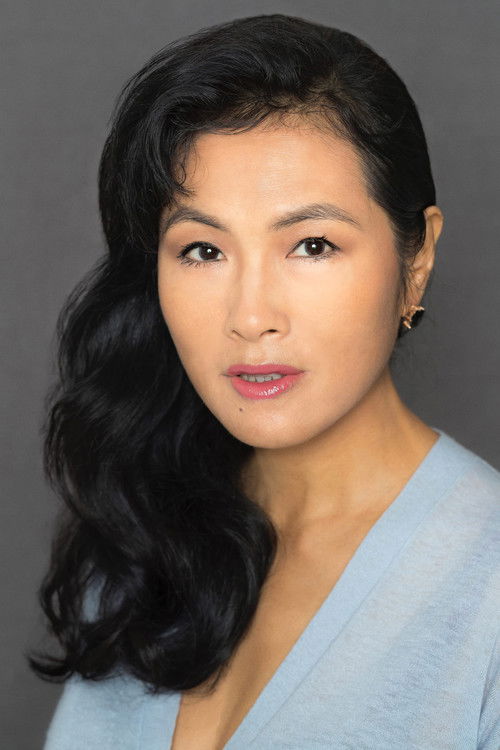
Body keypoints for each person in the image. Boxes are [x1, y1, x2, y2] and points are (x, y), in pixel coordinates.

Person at [31, 13, 499, 750]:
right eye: (202, 250)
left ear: (416, 259)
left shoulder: (486, 587)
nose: (250, 317)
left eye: (311, 245)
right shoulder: (144, 532)